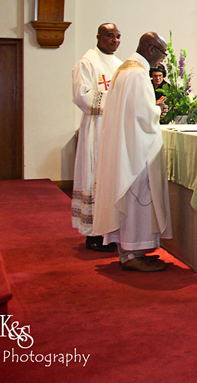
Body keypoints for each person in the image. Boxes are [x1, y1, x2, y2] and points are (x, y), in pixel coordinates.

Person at [93, 32, 172, 272]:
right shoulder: (137, 73)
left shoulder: (125, 69)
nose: (162, 60)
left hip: (126, 146)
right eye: (161, 53)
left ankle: (132, 252)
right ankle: (132, 254)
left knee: (133, 199)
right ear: (150, 50)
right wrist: (157, 108)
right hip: (136, 152)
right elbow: (141, 115)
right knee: (138, 198)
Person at [71, 23, 123, 252]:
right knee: (95, 176)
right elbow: (82, 95)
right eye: (110, 36)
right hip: (97, 127)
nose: (115, 40)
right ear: (98, 37)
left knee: (112, 178)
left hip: (115, 128)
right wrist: (114, 98)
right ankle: (94, 234)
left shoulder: (121, 65)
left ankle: (112, 231)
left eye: (118, 36)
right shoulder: (87, 62)